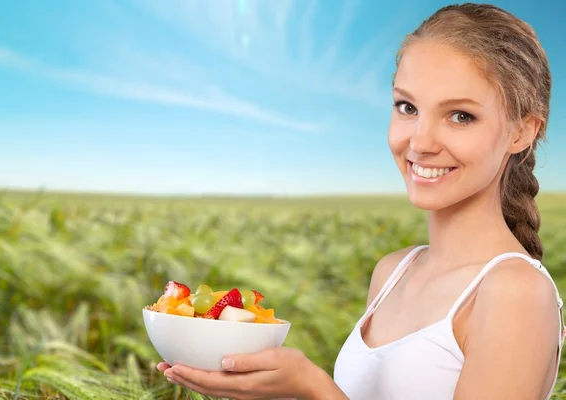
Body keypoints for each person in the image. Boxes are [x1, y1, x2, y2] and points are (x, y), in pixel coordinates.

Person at [156, 3, 564, 399]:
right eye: (407, 107)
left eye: (460, 115)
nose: (419, 142)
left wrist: (313, 389)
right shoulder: (392, 273)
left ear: (522, 132)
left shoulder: (516, 292)